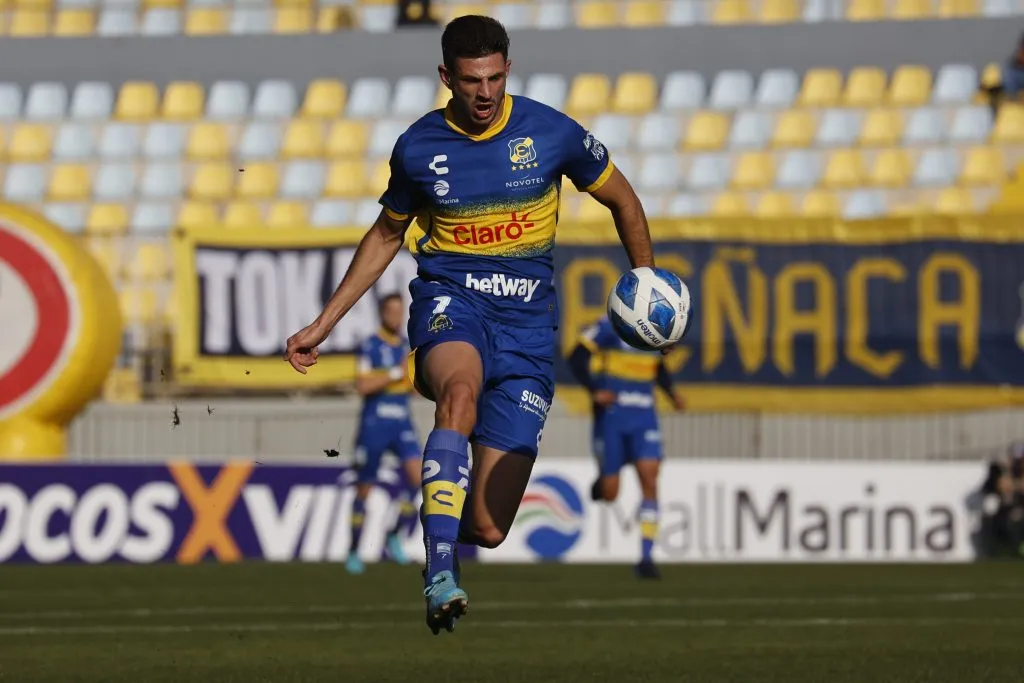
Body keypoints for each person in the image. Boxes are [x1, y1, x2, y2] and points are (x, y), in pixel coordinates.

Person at [284, 15, 665, 635]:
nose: (484, 94)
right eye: (469, 81)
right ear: (446, 78)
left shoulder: (551, 133)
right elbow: (386, 234)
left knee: (487, 527)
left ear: (507, 69)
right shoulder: (418, 148)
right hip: (451, 302)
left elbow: (622, 197)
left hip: (528, 331)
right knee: (457, 396)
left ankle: (439, 508)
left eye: (493, 78)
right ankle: (438, 574)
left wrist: (645, 278)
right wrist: (325, 323)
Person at [567, 317, 686, 579]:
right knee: (611, 493)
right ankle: (601, 482)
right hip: (611, 417)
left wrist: (671, 393)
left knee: (650, 480)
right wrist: (594, 390)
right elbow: (576, 355)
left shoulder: (656, 331)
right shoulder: (610, 326)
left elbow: (658, 367)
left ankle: (646, 558)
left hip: (644, 416)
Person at [344, 293, 422, 575]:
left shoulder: (406, 346)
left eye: (400, 312)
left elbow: (414, 388)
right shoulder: (371, 345)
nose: (396, 317)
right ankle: (354, 550)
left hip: (402, 423)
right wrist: (393, 373)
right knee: (364, 488)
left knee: (419, 479)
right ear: (382, 314)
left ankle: (394, 534)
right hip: (374, 424)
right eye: (391, 311)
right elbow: (363, 386)